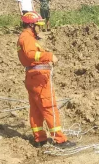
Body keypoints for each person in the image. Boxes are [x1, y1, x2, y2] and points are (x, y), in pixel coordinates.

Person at [17, 11, 75, 149]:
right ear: (32, 25)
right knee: (49, 106)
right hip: (38, 78)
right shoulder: (27, 38)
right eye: (38, 25)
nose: (40, 28)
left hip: (33, 77)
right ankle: (60, 140)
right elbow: (31, 54)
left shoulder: (26, 37)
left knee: (36, 109)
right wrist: (49, 56)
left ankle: (40, 139)